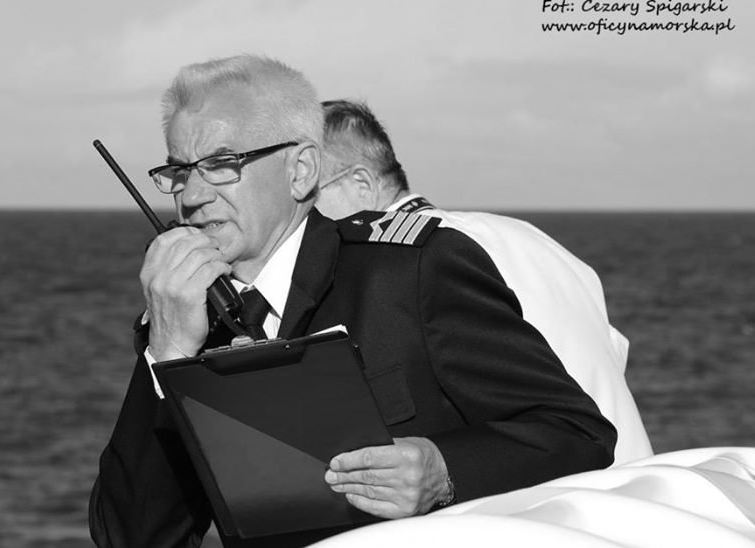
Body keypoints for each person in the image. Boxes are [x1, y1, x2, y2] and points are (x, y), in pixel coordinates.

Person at [89, 55, 616, 548]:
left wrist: (442, 471)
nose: (191, 196)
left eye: (222, 164)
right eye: (180, 171)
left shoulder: (407, 274)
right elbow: (130, 538)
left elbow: (576, 433)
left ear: (301, 170)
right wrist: (167, 352)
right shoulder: (189, 319)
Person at [316, 99, 653, 465]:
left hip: (561, 481)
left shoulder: (411, 265)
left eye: (308, 199)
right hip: (636, 477)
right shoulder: (532, 238)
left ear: (362, 184)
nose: (304, 225)